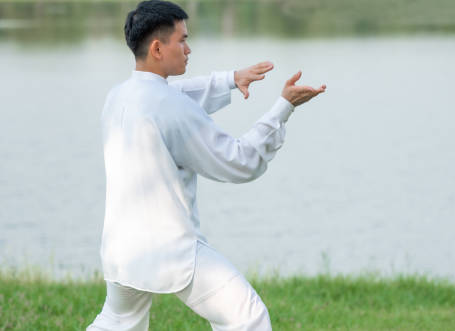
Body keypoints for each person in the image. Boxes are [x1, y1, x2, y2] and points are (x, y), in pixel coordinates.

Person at [86, 1, 325, 330]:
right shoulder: (170, 106)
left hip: (120, 251)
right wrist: (284, 107)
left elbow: (172, 98)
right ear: (157, 48)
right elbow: (240, 162)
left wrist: (230, 79)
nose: (189, 48)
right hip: (169, 250)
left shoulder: (118, 97)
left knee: (118, 321)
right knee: (248, 317)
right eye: (182, 40)